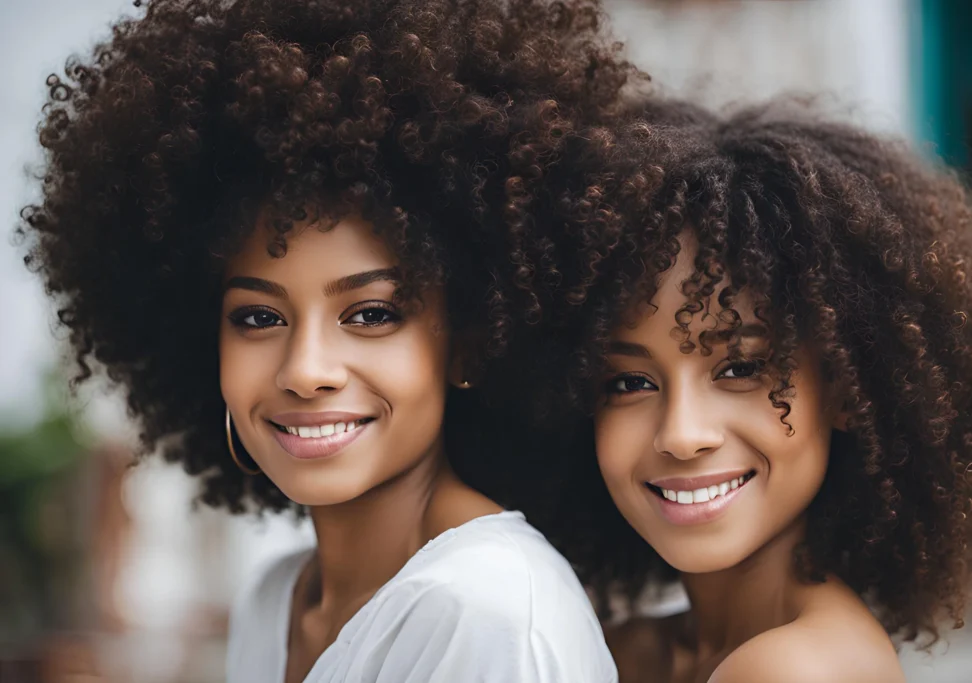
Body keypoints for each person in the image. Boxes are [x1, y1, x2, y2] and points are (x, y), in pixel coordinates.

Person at [18, 1, 643, 681]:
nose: (306, 370)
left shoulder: (483, 612)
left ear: (468, 340)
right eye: (258, 317)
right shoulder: (278, 598)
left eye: (371, 314)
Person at [500, 99, 972, 682]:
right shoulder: (623, 649)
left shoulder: (795, 668)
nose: (682, 434)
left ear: (849, 390)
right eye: (629, 382)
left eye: (740, 370)